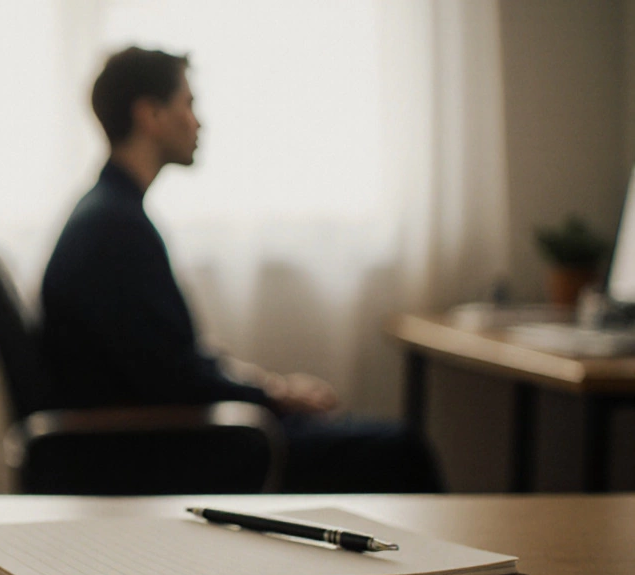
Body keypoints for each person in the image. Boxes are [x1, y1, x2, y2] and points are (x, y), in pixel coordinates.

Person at [40, 46, 442, 493]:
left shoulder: (108, 214)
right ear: (149, 114)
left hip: (158, 436)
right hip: (163, 449)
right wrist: (273, 395)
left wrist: (268, 387)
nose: (198, 121)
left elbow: (166, 359)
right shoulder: (117, 228)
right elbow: (176, 378)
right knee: (401, 448)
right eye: (187, 104)